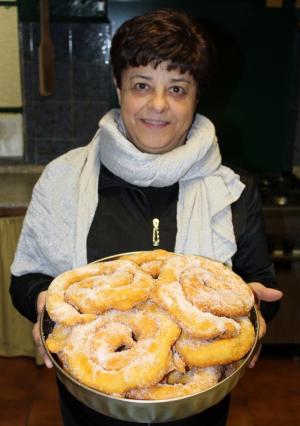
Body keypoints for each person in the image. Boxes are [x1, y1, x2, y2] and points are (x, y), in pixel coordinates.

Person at [10, 8, 282, 426]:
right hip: (92, 408)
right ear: (119, 87)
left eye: (177, 88)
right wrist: (43, 301)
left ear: (196, 97)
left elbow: (256, 282)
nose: (158, 105)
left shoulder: (231, 189)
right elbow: (25, 281)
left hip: (197, 410)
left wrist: (256, 308)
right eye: (142, 85)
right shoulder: (64, 179)